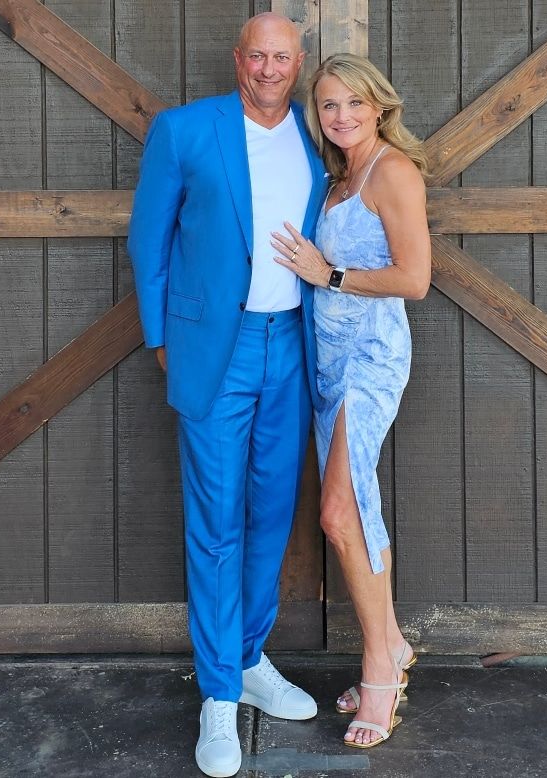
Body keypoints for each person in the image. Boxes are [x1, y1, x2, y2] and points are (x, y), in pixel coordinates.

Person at [127, 12, 328, 778]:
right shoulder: (184, 130)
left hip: (293, 343)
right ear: (238, 60)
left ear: (298, 63)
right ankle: (217, 693)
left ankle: (246, 658)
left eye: (282, 57)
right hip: (219, 347)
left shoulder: (317, 134)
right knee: (215, 520)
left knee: (271, 512)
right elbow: (148, 240)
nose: (269, 69)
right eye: (257, 56)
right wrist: (162, 339)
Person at [271, 53, 431, 749]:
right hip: (326, 364)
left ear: (380, 107)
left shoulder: (392, 172)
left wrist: (327, 271)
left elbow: (414, 278)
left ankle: (379, 668)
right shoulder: (338, 178)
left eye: (354, 103)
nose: (341, 116)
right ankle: (391, 644)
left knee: (338, 512)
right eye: (329, 105)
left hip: (370, 359)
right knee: (356, 504)